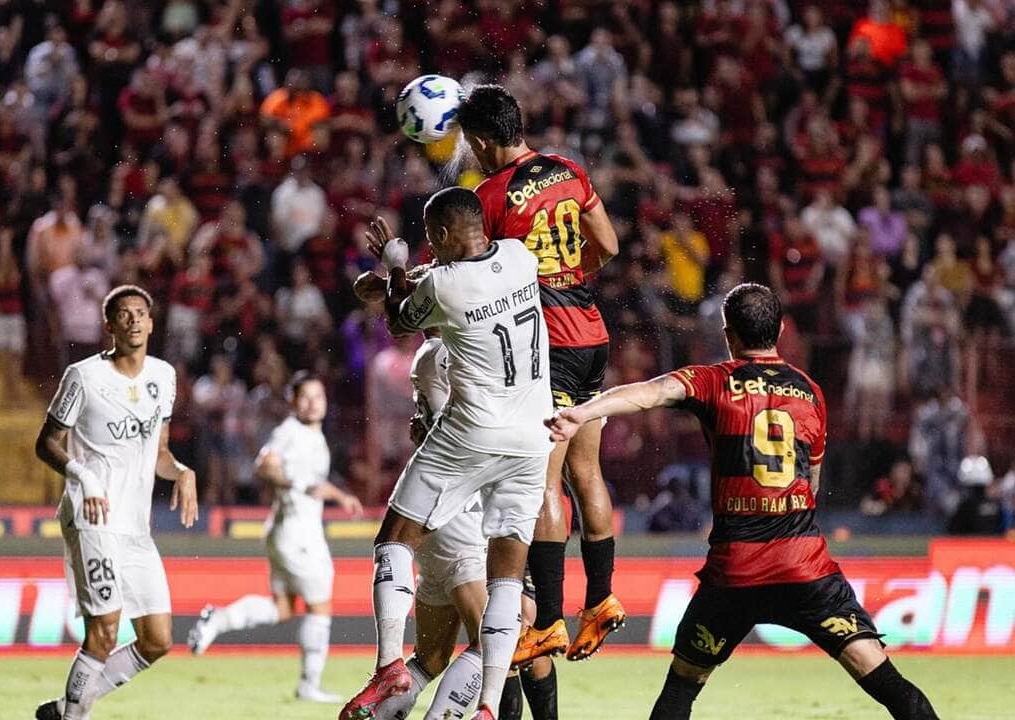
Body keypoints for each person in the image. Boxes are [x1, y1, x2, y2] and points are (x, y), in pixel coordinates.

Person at [544, 283, 939, 720]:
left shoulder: (714, 382)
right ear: (781, 331)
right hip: (805, 570)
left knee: (682, 686)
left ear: (729, 335)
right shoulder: (811, 392)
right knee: (887, 683)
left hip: (734, 575)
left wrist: (582, 411)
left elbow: (649, 393)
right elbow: (811, 482)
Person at [340, 187, 551, 720]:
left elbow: (400, 318)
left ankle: (390, 665)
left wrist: (394, 271)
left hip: (472, 439)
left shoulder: (442, 290)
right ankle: (485, 706)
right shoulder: (521, 258)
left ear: (440, 235)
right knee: (508, 579)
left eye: (434, 238)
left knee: (394, 539)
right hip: (532, 438)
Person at [455, 83, 624, 669]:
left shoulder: (491, 196)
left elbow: (480, 281)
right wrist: (569, 275)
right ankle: (600, 600)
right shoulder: (569, 171)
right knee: (587, 470)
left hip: (547, 346)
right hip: (594, 333)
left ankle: (549, 619)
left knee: (544, 484)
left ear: (480, 139)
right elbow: (609, 244)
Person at [33, 285, 199, 720]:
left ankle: (65, 707)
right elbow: (46, 442)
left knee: (157, 640)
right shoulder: (83, 376)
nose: (133, 320)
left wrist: (182, 471)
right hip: (92, 517)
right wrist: (84, 477)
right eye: (123, 314)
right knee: (104, 632)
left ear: (151, 321)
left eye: (140, 313)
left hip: (134, 527)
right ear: (108, 325)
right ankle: (74, 715)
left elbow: (159, 453)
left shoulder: (164, 376)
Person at [187, 371, 362, 703]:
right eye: (305, 397)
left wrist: (331, 493)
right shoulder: (290, 432)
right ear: (292, 402)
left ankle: (218, 620)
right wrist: (305, 485)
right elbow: (263, 466)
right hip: (297, 531)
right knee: (320, 604)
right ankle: (309, 684)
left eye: (319, 396)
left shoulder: (312, 436)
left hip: (286, 529)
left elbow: (302, 477)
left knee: (282, 608)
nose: (313, 403)